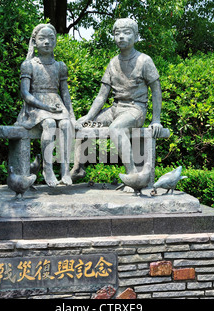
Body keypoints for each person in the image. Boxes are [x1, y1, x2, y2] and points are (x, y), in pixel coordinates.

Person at [70, 18, 163, 182]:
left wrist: (156, 119)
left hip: (135, 110)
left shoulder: (144, 61)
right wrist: (88, 117)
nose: (121, 37)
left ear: (136, 37)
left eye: (126, 33)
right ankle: (78, 168)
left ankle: (133, 174)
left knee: (116, 129)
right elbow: (101, 96)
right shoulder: (113, 62)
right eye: (117, 33)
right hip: (114, 109)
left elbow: (156, 90)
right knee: (82, 125)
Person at [15, 24, 75, 187]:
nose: (47, 42)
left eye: (51, 38)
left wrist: (71, 115)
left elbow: (65, 93)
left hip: (56, 104)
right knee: (49, 123)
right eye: (42, 38)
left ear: (55, 42)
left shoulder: (60, 66)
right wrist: (46, 107)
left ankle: (65, 170)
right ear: (34, 42)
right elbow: (25, 94)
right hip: (36, 107)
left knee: (65, 124)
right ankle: (47, 169)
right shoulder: (29, 65)